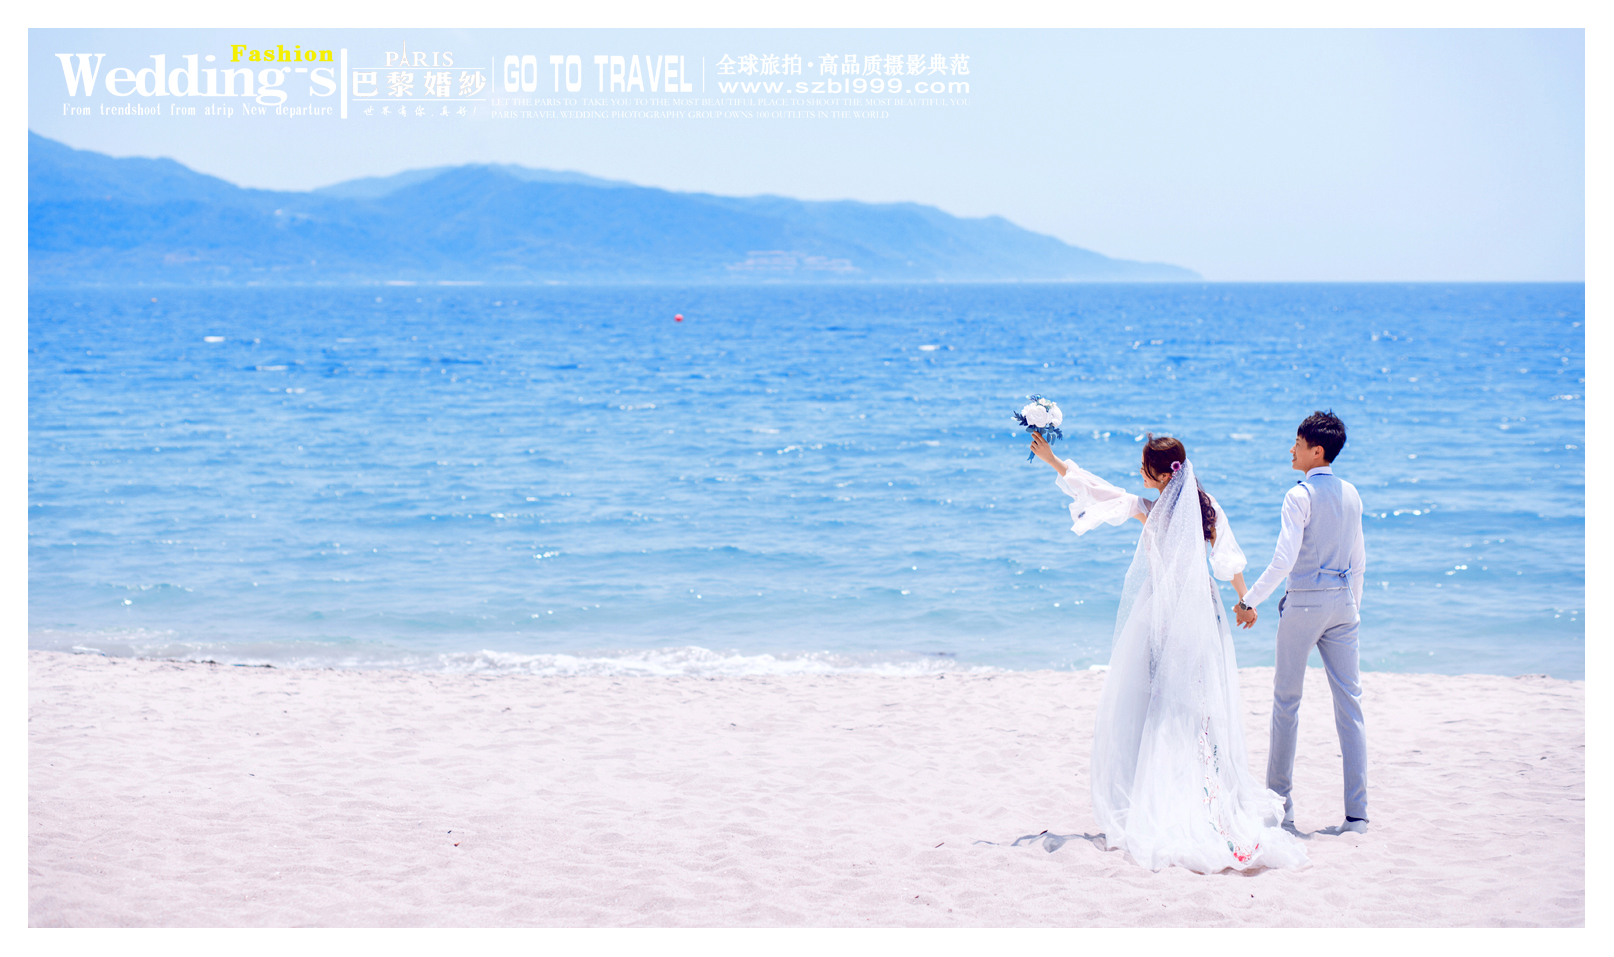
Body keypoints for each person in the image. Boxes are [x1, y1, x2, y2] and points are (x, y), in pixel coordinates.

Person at [1031, 432, 1307, 872]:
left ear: (1162, 475)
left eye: (1144, 467)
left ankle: (1165, 796)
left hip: (1162, 613)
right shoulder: (1206, 508)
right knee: (1192, 705)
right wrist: (1245, 603)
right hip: (1200, 613)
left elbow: (1102, 493)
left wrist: (1054, 462)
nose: (1139, 472)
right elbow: (1228, 558)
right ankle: (1195, 789)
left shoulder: (1153, 509)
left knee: (1159, 705)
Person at [1235, 411, 1368, 834]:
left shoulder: (1299, 495)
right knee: (1350, 707)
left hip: (1306, 605)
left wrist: (1248, 599)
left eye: (1297, 443)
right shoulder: (1352, 493)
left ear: (1317, 451)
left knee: (1286, 705)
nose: (1291, 449)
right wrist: (1352, 609)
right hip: (1343, 604)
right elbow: (1359, 561)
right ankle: (1357, 816)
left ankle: (1281, 810)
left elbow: (1283, 561)